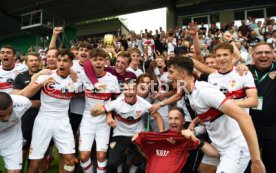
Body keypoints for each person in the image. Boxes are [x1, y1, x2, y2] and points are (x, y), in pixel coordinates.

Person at [167, 57, 266, 173]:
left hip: (235, 146)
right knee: (203, 170)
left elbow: (244, 118)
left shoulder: (205, 91)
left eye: (171, 72)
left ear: (183, 74)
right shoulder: (191, 92)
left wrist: (256, 160)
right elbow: (210, 116)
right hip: (218, 145)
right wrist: (193, 126)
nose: (167, 76)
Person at [20, 49, 79, 173]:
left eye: (65, 61)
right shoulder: (46, 75)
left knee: (70, 159)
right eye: (59, 60)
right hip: (43, 120)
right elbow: (25, 94)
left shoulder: (76, 79)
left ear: (71, 63)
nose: (61, 63)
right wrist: (40, 84)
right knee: (36, 161)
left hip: (63, 122)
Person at [91, 79, 164, 173]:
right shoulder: (117, 102)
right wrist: (100, 112)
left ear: (136, 90)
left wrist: (162, 134)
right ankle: (120, 162)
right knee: (111, 163)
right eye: (126, 89)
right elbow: (101, 110)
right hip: (120, 134)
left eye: (131, 89)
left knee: (151, 158)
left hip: (137, 135)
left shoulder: (143, 103)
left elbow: (158, 116)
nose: (128, 92)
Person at [132, 107, 219, 173]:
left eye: (176, 118)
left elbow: (215, 153)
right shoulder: (160, 137)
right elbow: (150, 156)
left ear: (183, 121)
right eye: (170, 118)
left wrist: (195, 139)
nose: (173, 121)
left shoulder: (188, 138)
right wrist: (138, 142)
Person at [78, 48, 120, 173]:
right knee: (84, 156)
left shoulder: (112, 79)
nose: (98, 63)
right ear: (91, 61)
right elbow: (84, 65)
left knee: (101, 156)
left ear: (105, 61)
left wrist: (108, 113)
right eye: (95, 60)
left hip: (104, 121)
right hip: (88, 118)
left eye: (101, 59)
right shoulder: (84, 75)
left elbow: (117, 100)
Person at [248, 42, 276, 173]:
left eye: (267, 52)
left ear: (273, 54)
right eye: (259, 53)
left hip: (272, 128)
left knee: (272, 163)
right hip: (248, 127)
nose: (263, 55)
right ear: (253, 56)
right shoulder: (246, 70)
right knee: (249, 164)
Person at [12, 52, 41, 170]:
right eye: (31, 60)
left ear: (40, 62)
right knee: (24, 147)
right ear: (26, 63)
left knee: (38, 149)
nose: (34, 62)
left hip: (43, 116)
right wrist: (30, 103)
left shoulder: (45, 74)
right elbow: (15, 95)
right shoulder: (21, 76)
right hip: (27, 116)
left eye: (36, 60)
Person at [0, 92, 32, 173]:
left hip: (12, 139)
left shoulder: (23, 102)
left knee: (15, 171)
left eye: (10, 112)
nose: (6, 118)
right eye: (1, 115)